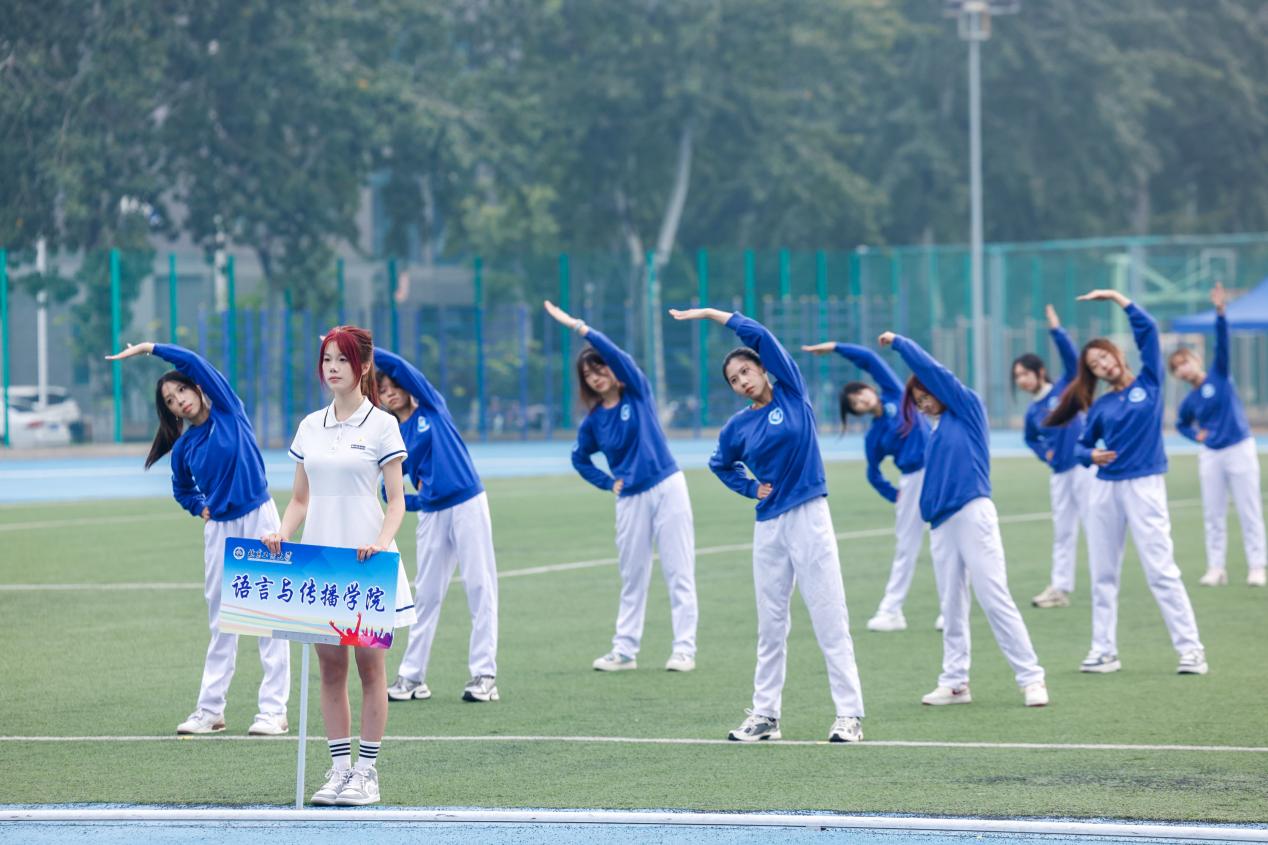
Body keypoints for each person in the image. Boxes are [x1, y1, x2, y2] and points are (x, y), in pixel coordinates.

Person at [672, 307, 864, 743]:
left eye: (746, 370)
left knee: (829, 615)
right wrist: (749, 488)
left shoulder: (792, 393)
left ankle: (849, 715)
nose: (743, 381)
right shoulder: (738, 426)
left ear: (762, 368)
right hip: (769, 527)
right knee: (771, 623)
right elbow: (720, 464)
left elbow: (758, 333)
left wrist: (708, 314)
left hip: (810, 516)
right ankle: (765, 716)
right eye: (735, 379)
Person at [262, 325, 415, 806]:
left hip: (368, 563)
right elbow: (300, 499)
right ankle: (339, 770)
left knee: (371, 669)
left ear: (363, 366)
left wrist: (380, 542)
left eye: (343, 360)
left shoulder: (383, 425)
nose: (332, 367)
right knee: (330, 670)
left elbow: (396, 503)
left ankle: (367, 773)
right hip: (320, 564)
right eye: (327, 358)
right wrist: (282, 534)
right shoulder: (310, 425)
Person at [105, 342, 290, 737]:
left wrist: (149, 348)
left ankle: (273, 711)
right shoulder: (184, 447)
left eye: (181, 392)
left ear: (197, 388)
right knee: (223, 622)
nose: (178, 403)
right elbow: (183, 490)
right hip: (220, 531)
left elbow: (194, 361)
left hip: (260, 520)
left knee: (270, 619)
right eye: (170, 402)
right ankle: (211, 711)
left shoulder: (228, 410)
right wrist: (200, 508)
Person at [877, 330, 1048, 708]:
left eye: (926, 396)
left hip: (973, 514)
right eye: (917, 401)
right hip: (942, 525)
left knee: (994, 597)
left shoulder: (968, 410)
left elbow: (933, 370)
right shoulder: (935, 432)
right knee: (951, 606)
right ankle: (955, 682)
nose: (922, 405)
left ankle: (1031, 677)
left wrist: (902, 344)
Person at [1045, 290, 1206, 675]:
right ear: (1094, 374)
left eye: (1103, 356)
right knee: (1103, 574)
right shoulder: (1100, 406)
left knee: (1161, 571)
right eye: (1095, 365)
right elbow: (1081, 447)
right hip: (1104, 491)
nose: (1101, 365)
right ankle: (1104, 651)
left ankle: (1191, 651)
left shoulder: (1149, 382)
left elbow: (1148, 330)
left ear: (1117, 355)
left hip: (1144, 485)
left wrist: (1118, 299)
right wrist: (1090, 456)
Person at [545, 300, 698, 673]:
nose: (596, 376)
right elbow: (580, 458)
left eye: (600, 368)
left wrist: (579, 327)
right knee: (633, 576)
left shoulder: (638, 393)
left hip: (667, 486)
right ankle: (625, 651)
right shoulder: (594, 422)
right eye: (589, 374)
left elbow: (617, 354)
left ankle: (684, 649)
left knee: (679, 571)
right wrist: (607, 482)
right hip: (629, 498)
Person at [375, 347, 501, 703]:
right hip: (433, 516)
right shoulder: (393, 436)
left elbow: (400, 365)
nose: (390, 393)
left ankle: (484, 675)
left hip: (468, 504)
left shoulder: (432, 406)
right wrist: (422, 501)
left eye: (393, 386)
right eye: (382, 391)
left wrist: (366, 352)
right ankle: (412, 677)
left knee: (480, 587)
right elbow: (390, 490)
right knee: (426, 595)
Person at [802, 340, 933, 632]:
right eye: (855, 404)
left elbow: (870, 360)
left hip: (941, 470)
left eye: (860, 394)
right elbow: (873, 474)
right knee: (907, 545)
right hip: (912, 481)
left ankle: (952, 611)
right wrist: (896, 495)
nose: (861, 401)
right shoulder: (873, 438)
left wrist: (835, 347)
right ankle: (891, 610)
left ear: (870, 389)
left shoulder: (897, 395)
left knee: (949, 539)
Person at [1169, 283, 1267, 588]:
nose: (1183, 369)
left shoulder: (1220, 375)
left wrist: (1221, 312)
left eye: (1185, 362)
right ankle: (1216, 568)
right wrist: (1197, 436)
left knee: (1249, 509)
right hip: (1211, 455)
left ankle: (1257, 566)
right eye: (1176, 368)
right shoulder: (1189, 401)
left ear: (1195, 360)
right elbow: (1182, 424)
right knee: (1213, 513)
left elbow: (1223, 343)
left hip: (1239, 448)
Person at [1015, 305, 1092, 608]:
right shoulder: (1033, 411)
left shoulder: (1064, 387)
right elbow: (1030, 439)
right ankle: (1060, 588)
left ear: (1039, 372)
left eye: (1025, 373)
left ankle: (1103, 580)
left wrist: (1057, 331)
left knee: (1094, 525)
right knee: (1063, 532)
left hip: (1083, 468)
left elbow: (1073, 363)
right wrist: (1045, 454)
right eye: (1017, 376)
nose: (1021, 380)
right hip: (1059, 474)